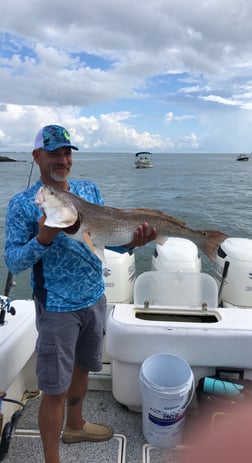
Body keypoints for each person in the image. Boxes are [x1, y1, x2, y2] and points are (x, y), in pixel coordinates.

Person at [5, 124, 157, 463]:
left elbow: (105, 240)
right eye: (54, 152)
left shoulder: (89, 189)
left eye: (67, 152)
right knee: (54, 390)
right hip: (57, 307)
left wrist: (134, 241)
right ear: (37, 156)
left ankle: (75, 425)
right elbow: (14, 261)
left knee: (85, 369)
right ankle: (51, 457)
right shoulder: (23, 205)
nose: (63, 159)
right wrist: (43, 237)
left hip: (95, 298)